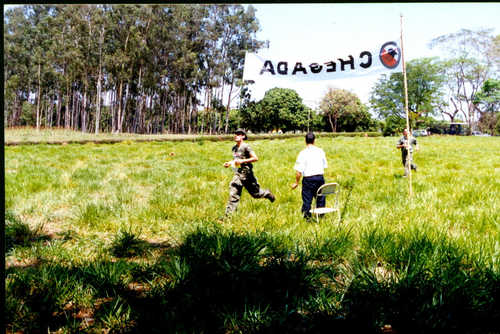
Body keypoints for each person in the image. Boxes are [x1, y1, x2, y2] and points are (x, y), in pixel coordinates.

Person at [223, 128, 275, 215]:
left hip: (247, 173)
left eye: (239, 134)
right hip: (238, 173)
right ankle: (228, 215)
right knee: (234, 190)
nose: (236, 136)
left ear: (243, 136)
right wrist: (229, 163)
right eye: (235, 134)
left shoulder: (246, 147)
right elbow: (236, 160)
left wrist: (242, 161)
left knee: (255, 194)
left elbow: (255, 158)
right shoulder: (234, 148)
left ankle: (267, 193)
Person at [291, 132, 328, 220]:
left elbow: (299, 171)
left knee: (307, 199)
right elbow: (324, 165)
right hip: (320, 178)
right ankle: (321, 216)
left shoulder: (302, 153)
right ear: (314, 140)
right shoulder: (321, 151)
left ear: (305, 141)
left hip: (308, 179)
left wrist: (296, 182)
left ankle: (307, 217)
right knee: (321, 198)